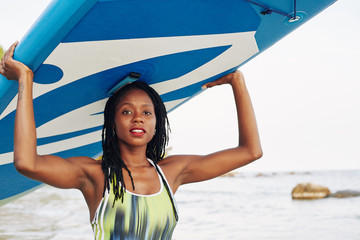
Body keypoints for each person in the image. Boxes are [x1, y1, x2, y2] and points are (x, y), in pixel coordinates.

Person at [0, 41, 262, 239]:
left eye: (147, 112)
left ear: (157, 122)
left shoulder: (172, 172)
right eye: (127, 111)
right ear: (112, 123)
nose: (138, 118)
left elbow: (250, 151)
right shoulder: (93, 174)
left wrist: (237, 82)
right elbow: (27, 163)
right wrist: (26, 79)